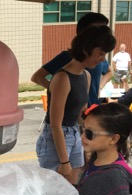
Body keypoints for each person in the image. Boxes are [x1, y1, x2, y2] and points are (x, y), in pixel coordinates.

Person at [35, 25, 116, 185]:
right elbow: (55, 125)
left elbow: (81, 113)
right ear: (86, 49)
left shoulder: (86, 76)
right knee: (54, 191)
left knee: (73, 187)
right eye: (100, 53)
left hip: (73, 133)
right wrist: (64, 162)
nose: (102, 59)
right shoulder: (62, 78)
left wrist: (90, 136)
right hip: (55, 138)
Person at [31, 12, 113, 106]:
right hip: (71, 113)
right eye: (97, 31)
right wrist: (60, 92)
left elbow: (109, 72)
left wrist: (100, 87)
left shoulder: (98, 58)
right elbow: (37, 77)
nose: (103, 35)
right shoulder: (67, 57)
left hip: (92, 110)